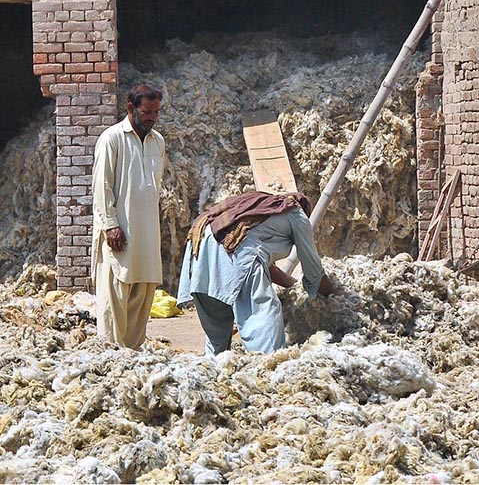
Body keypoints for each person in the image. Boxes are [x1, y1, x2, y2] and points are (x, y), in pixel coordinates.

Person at [177, 191, 334, 355]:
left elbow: (268, 268)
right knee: (264, 317)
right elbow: (313, 268)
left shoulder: (257, 210)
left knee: (217, 334)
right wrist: (332, 294)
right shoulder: (295, 213)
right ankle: (269, 369)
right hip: (234, 252)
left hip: (200, 251)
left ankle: (212, 370)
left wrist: (294, 287)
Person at [91, 84, 165, 349]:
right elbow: (102, 186)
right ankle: (111, 353)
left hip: (146, 233)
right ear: (131, 108)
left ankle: (132, 353)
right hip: (118, 233)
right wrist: (111, 225)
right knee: (115, 296)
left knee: (142, 293)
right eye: (147, 112)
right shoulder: (112, 139)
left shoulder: (158, 142)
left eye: (156, 112)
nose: (152, 117)